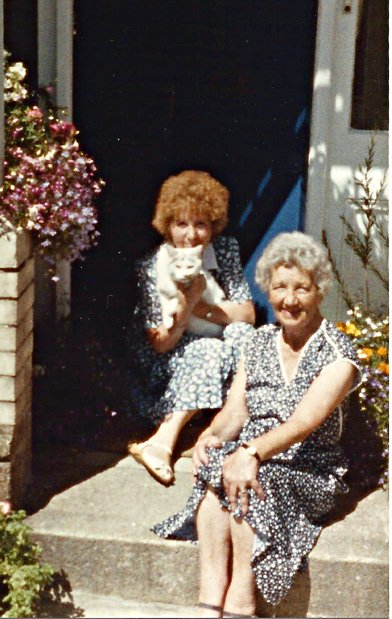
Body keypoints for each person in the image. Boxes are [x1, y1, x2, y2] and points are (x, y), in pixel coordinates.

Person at [152, 232, 362, 617]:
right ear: (267, 289)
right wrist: (211, 436)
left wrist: (250, 453)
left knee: (254, 482)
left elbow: (303, 422)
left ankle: (241, 602)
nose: (289, 300)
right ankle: (210, 600)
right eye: (280, 287)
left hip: (309, 468)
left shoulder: (337, 353)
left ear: (319, 292)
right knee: (217, 473)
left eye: (302, 288)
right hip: (255, 458)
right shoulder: (259, 342)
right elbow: (236, 412)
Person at [128, 170, 255, 485]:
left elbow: (247, 313)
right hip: (166, 358)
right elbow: (161, 342)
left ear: (213, 226)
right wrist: (186, 307)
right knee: (210, 350)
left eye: (200, 224)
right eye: (181, 224)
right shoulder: (151, 266)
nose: (191, 235)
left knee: (244, 335)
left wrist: (200, 305)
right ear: (167, 225)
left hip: (211, 337)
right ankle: (162, 441)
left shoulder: (224, 250)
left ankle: (232, 423)